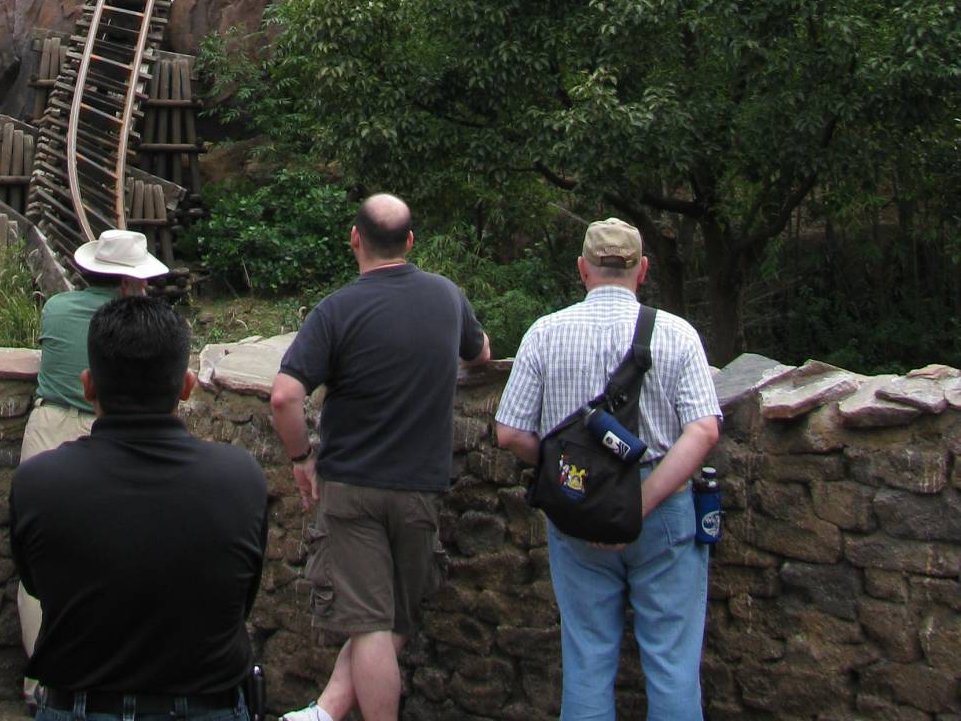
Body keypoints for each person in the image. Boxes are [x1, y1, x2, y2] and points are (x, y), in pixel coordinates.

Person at [269, 194, 490, 721]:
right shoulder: (446, 296)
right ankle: (324, 714)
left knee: (370, 623)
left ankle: (326, 713)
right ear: (411, 242)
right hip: (418, 485)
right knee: (394, 621)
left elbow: (283, 396)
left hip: (349, 486)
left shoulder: (336, 309)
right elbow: (479, 354)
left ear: (354, 239)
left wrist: (301, 458)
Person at [494, 218, 723, 719]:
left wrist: (567, 476)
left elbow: (509, 433)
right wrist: (638, 503)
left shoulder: (546, 333)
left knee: (587, 658)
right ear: (642, 270)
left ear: (582, 269)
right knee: (671, 661)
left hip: (574, 505)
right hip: (661, 510)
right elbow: (704, 431)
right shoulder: (677, 334)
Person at [9, 293, 268, 721]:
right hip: (207, 707)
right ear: (186, 387)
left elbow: (37, 586)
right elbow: (244, 598)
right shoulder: (241, 479)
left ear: (88, 384)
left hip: (79, 706)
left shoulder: (39, 483)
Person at [17, 229, 170, 705]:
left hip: (50, 428)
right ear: (130, 283)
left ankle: (41, 682)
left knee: (43, 559)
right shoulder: (145, 323)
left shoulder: (56, 309)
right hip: (117, 430)